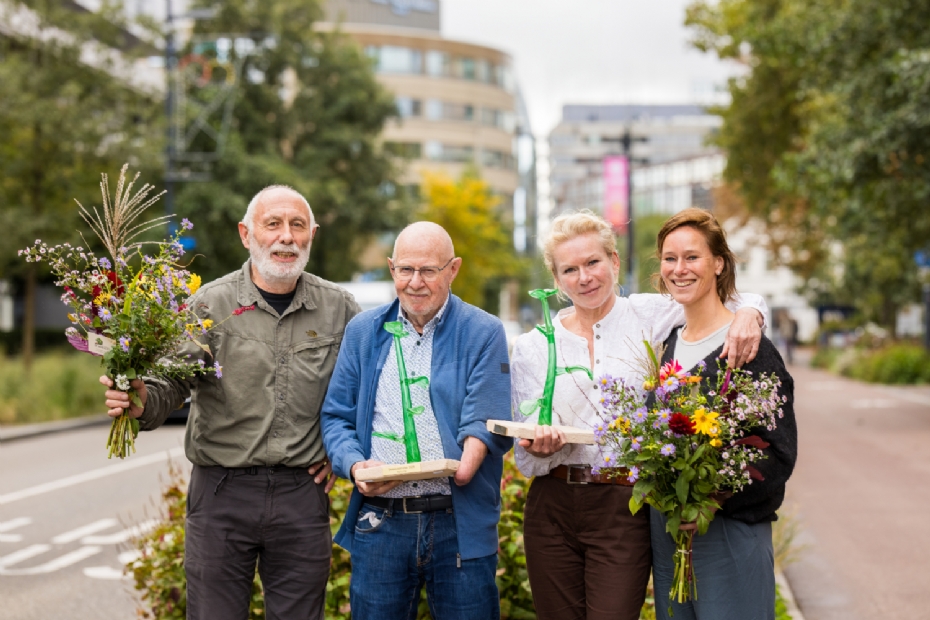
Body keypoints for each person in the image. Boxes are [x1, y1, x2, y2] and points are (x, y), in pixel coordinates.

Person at [100, 186, 359, 620]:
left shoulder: (340, 309)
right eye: (272, 224)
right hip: (221, 496)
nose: (286, 236)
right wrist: (140, 401)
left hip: (302, 495)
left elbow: (365, 392)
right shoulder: (209, 304)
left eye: (297, 225)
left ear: (312, 234)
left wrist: (343, 453)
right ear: (246, 234)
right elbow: (170, 386)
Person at [509, 210, 769, 620]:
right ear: (556, 281)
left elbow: (734, 299)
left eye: (593, 263)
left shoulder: (648, 314)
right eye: (570, 269)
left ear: (614, 262)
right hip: (551, 506)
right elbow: (523, 459)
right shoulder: (533, 347)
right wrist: (540, 450)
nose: (584, 277)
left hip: (621, 504)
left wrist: (751, 316)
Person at [321, 221, 512, 620]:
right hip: (381, 519)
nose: (415, 282)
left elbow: (487, 418)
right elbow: (336, 416)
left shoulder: (483, 331)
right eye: (405, 270)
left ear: (453, 269)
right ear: (391, 268)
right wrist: (356, 465)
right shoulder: (363, 332)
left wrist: (466, 465)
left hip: (457, 520)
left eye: (429, 270)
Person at [650, 207, 797, 620]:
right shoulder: (666, 347)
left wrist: (709, 500)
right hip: (671, 537)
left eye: (692, 257)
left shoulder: (749, 348)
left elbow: (777, 453)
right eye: (669, 258)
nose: (680, 269)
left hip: (730, 532)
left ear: (718, 263)